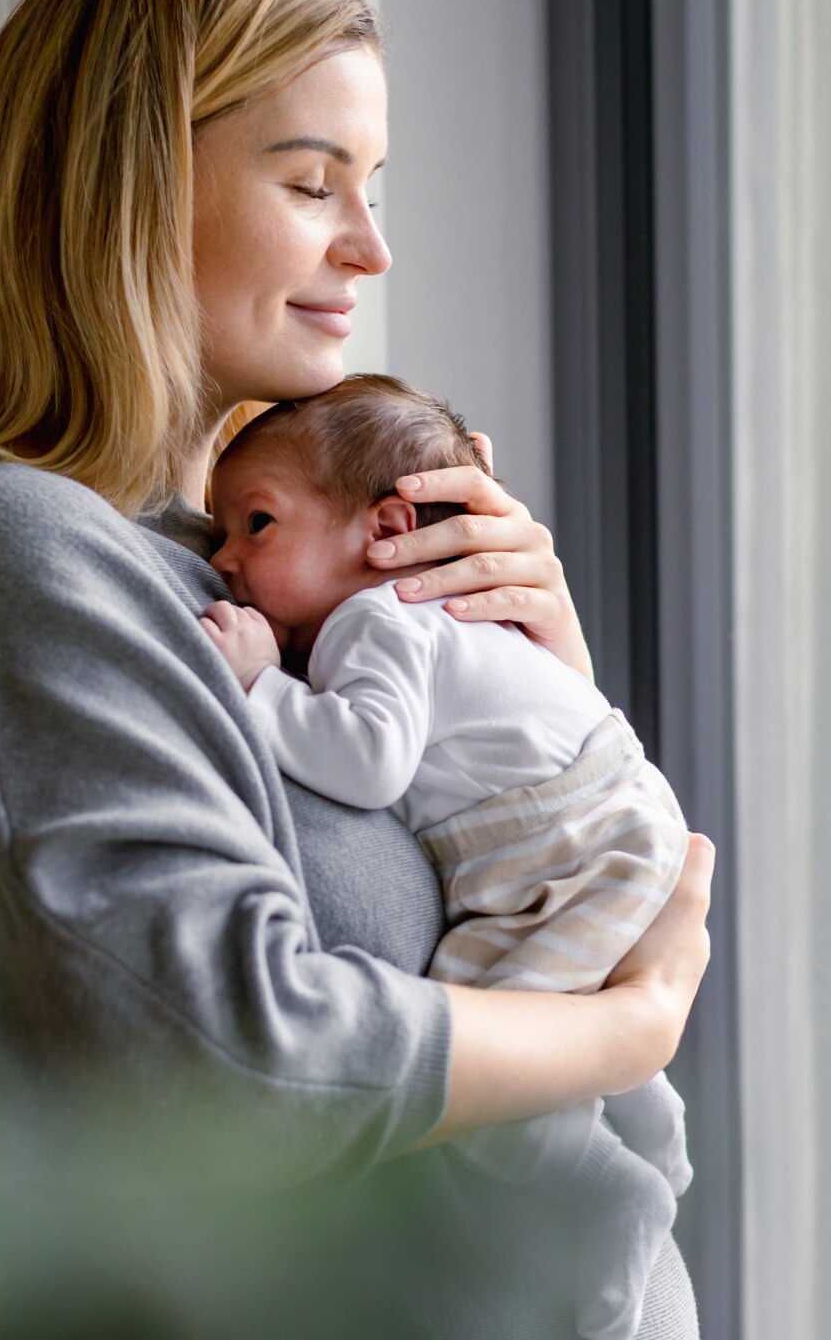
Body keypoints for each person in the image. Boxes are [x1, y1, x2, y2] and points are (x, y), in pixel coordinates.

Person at [0, 0, 712, 1338]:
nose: (370, 247)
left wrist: (546, 718)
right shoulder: (23, 551)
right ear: (124, 188)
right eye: (315, 182)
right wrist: (627, 1027)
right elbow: (231, 1058)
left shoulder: (251, 580)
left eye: (373, 187)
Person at [201, 374, 692, 1340]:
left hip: (567, 847)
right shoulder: (424, 621)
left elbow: (368, 760)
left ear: (387, 528)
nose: (225, 561)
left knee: (495, 1069)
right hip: (596, 827)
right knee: (572, 1019)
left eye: (256, 525)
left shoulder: (378, 618)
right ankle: (653, 1142)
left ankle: (610, 1203)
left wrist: (259, 684)